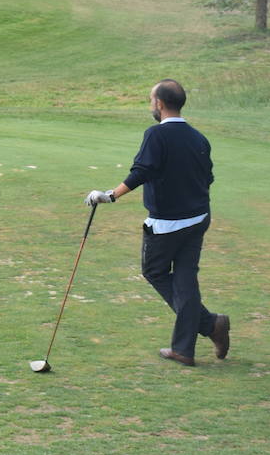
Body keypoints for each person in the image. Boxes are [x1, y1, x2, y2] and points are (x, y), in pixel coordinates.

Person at [84, 79, 229, 367]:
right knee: (185, 280)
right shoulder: (199, 137)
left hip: (168, 224)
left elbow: (142, 171)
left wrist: (109, 196)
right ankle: (190, 344)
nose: (151, 104)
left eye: (152, 99)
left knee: (155, 271)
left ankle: (209, 325)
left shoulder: (156, 135)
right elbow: (208, 177)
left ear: (159, 104)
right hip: (199, 219)